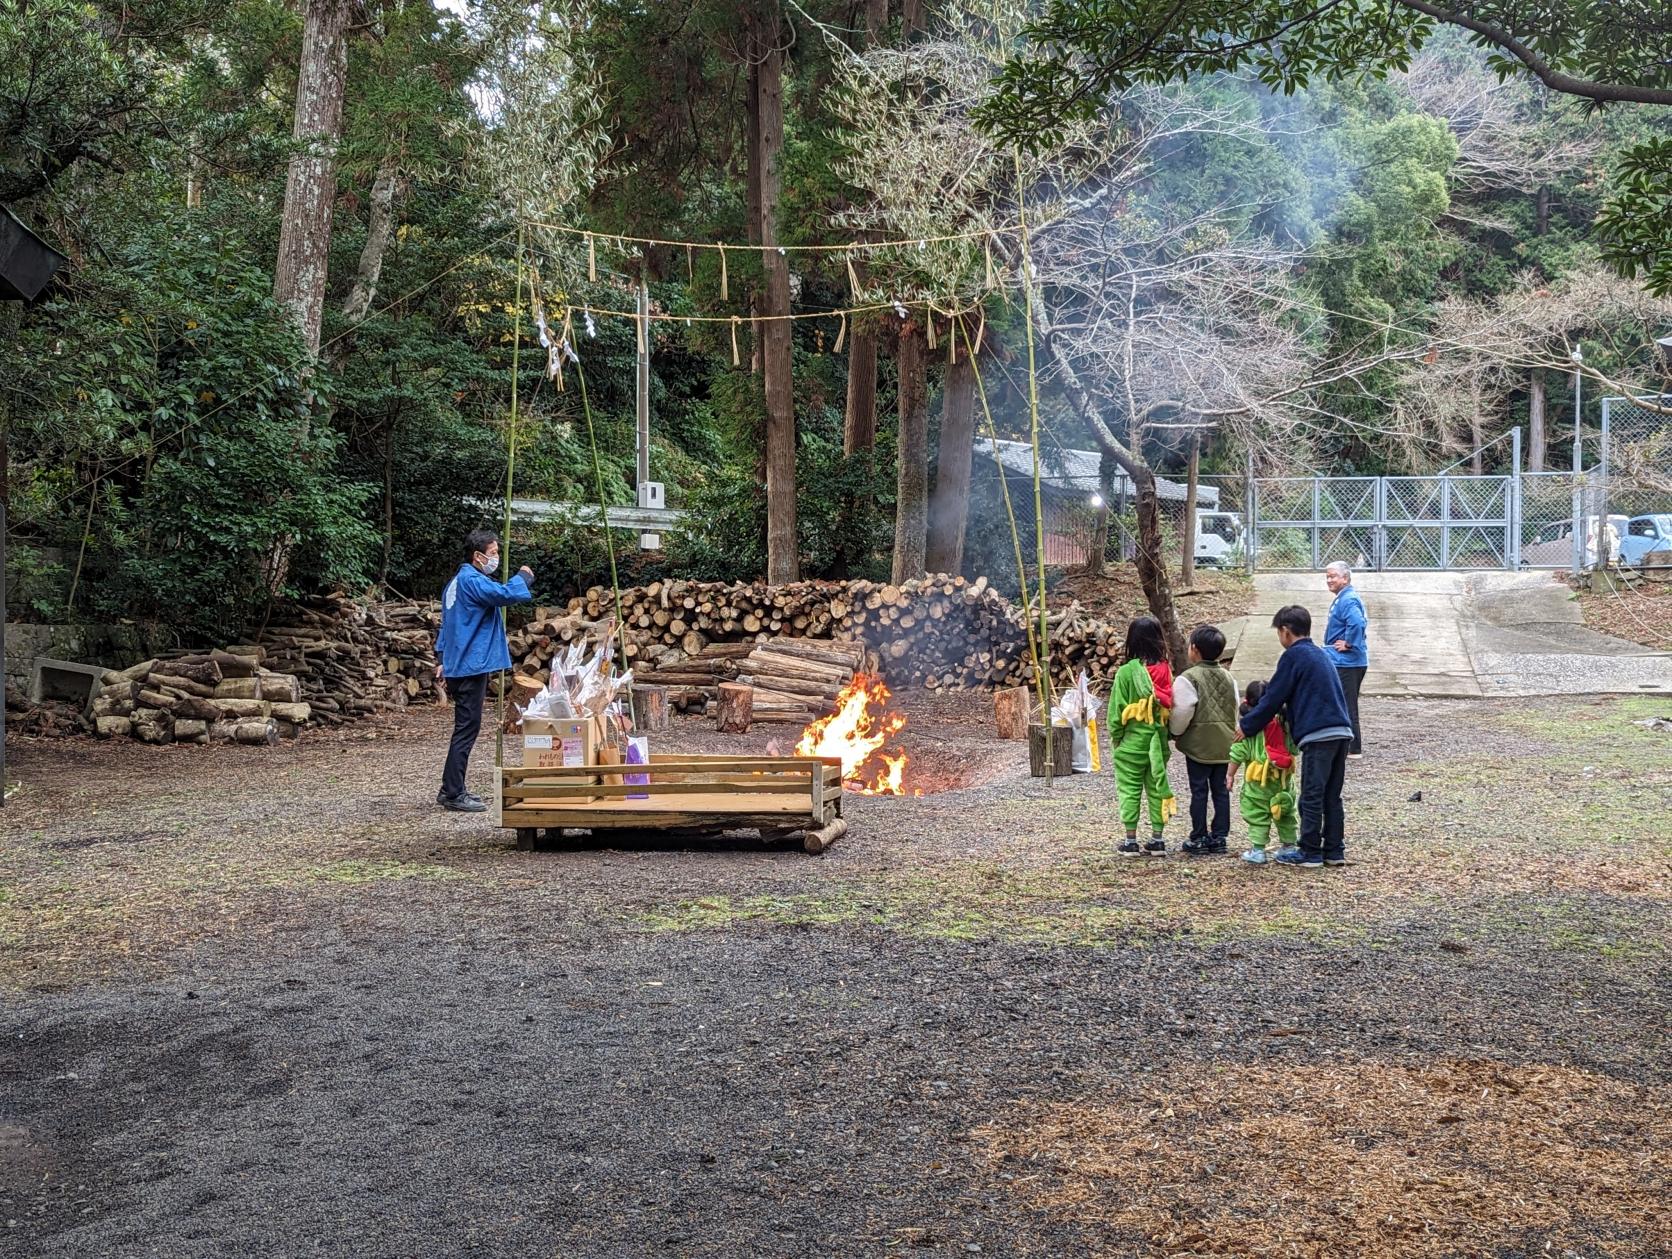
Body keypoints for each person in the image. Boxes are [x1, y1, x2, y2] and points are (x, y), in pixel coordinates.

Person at [1235, 605, 1354, 868]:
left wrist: (1248, 724)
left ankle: (1310, 852)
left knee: (1311, 793)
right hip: (1342, 731)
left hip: (1318, 734)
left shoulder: (1294, 656)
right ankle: (1334, 850)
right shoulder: (1321, 655)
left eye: (1279, 632)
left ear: (1286, 631)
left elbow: (1273, 698)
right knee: (1331, 795)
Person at [434, 528, 534, 812]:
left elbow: (446, 625)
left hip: (459, 664)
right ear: (478, 556)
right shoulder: (471, 581)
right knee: (467, 729)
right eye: (493, 553)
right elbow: (504, 594)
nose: (496, 558)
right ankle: (452, 791)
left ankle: (451, 788)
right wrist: (523, 576)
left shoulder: (456, 582)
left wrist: (442, 656)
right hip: (469, 666)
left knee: (466, 728)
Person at [1107, 615, 1176, 857]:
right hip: (1157, 742)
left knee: (1129, 789)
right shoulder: (1165, 670)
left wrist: (1117, 738)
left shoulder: (1126, 673)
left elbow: (1116, 713)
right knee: (1156, 787)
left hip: (1132, 744)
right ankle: (1157, 839)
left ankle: (1130, 841)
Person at [1168, 624, 1238, 856]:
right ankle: (1219, 837)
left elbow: (1183, 710)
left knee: (1199, 791)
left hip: (1199, 745)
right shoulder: (1229, 677)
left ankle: (1198, 836)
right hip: (1225, 744)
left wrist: (1175, 732)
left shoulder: (1188, 678)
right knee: (1221, 791)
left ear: (1194, 649)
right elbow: (1234, 706)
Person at [1227, 679, 1299, 866]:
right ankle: (1289, 846)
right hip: (1283, 780)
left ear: (1247, 702)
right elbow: (1294, 749)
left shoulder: (1248, 728)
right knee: (1285, 812)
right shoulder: (1285, 724)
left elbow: (1238, 753)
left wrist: (1230, 775)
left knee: (1258, 814)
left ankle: (1258, 851)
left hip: (1258, 784)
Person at [1323, 560, 1368, 758]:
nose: (1329, 580)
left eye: (1333, 576)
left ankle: (1353, 747)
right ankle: (1343, 742)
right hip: (1341, 661)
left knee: (1348, 704)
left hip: (1348, 663)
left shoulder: (1348, 599)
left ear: (1345, 578)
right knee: (1341, 702)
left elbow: (1357, 622)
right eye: (1327, 576)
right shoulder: (1343, 598)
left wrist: (1349, 643)